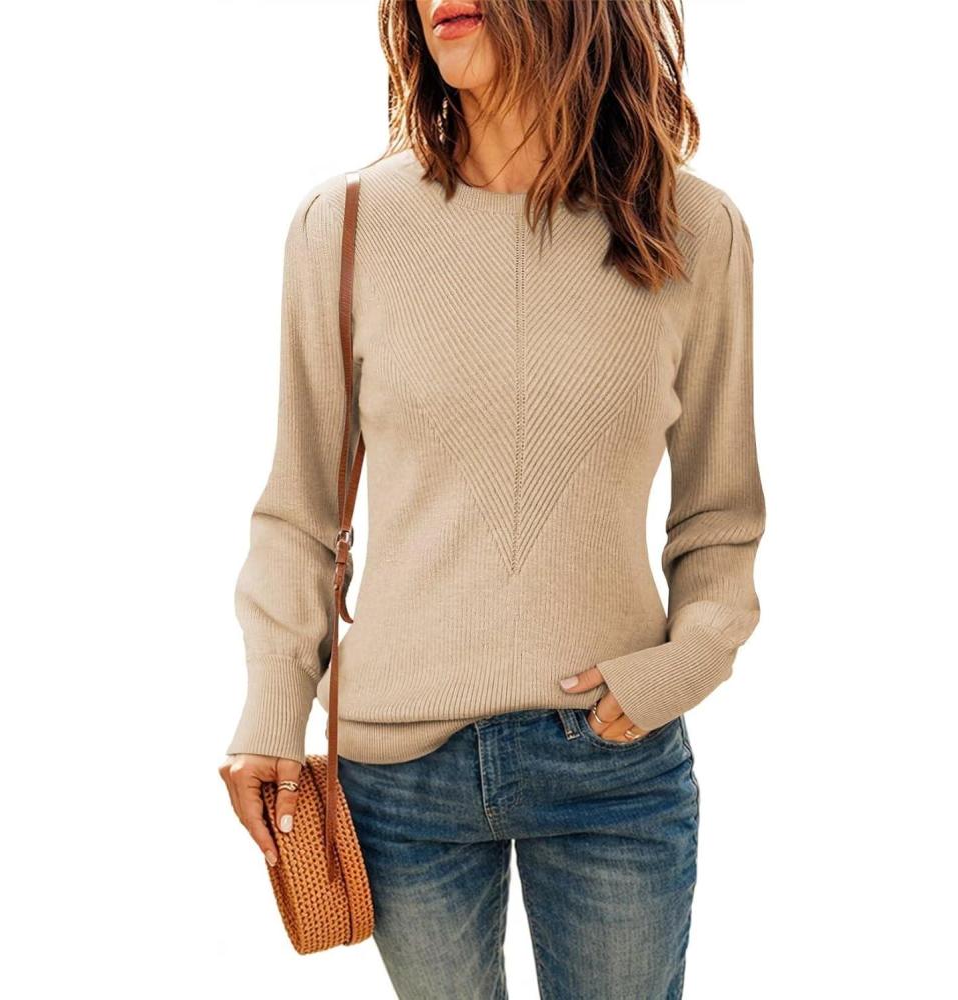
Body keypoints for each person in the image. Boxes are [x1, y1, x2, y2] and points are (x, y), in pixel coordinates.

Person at [219, 1, 765, 996]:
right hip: (398, 774)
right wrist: (269, 712)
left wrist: (687, 663)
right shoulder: (343, 225)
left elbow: (720, 515)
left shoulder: (693, 227)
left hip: (613, 763)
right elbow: (299, 510)